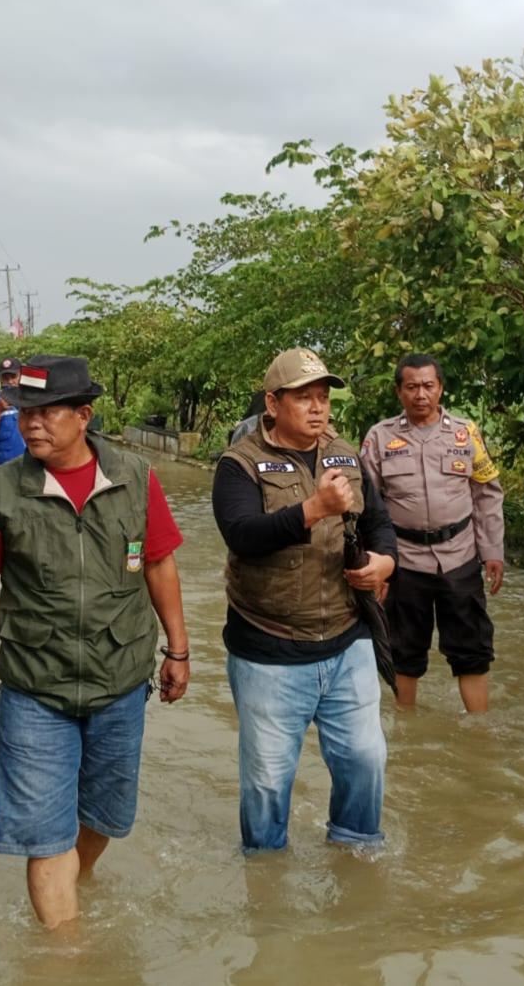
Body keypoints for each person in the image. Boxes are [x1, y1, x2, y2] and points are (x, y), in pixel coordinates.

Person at [0, 354, 190, 928]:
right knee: (44, 834)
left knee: (104, 817)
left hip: (121, 678)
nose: (31, 423)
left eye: (47, 412)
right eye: (24, 411)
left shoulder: (136, 478)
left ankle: (75, 879)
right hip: (36, 686)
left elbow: (159, 564)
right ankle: (66, 955)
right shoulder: (1, 490)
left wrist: (178, 650)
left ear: (84, 415)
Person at [212, 347, 396, 853]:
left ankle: (356, 855)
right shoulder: (239, 464)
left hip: (346, 638)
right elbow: (242, 534)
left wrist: (386, 561)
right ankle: (266, 875)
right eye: (304, 398)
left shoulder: (344, 453)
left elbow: (378, 520)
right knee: (268, 781)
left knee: (366, 759)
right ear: (272, 403)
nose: (318, 408)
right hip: (269, 650)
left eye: (323, 397)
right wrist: (313, 509)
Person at [359, 354, 505, 713]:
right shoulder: (379, 438)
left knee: (472, 651)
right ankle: (406, 728)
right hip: (404, 559)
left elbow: (487, 493)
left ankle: (478, 732)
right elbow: (365, 506)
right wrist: (374, 562)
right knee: (403, 650)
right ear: (399, 392)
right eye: (412, 387)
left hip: (460, 556)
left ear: (440, 388)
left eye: (428, 386)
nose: (420, 394)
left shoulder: (465, 433)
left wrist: (493, 551)